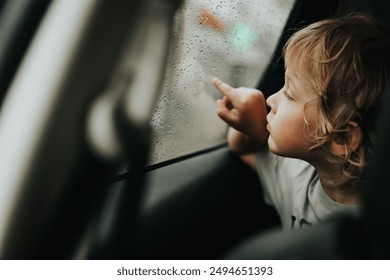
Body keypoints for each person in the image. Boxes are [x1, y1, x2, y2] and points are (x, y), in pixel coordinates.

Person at [213, 13, 390, 230]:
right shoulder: (297, 175)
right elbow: (240, 148)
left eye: (289, 93)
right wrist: (256, 129)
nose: (271, 99)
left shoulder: (371, 237)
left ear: (340, 137)